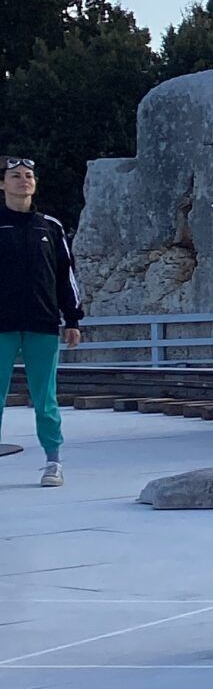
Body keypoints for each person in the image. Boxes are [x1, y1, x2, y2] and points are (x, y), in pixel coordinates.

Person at [0, 156, 81, 486]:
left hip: (42, 323)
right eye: (15, 175)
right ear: (2, 184)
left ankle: (53, 461)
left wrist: (73, 318)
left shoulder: (50, 226)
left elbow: (66, 275)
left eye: (29, 175)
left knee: (45, 399)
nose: (24, 180)